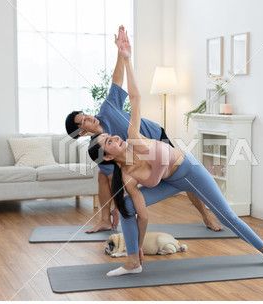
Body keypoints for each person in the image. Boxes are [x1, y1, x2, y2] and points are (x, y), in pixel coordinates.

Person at [88, 28, 263, 277]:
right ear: (107, 156)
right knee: (126, 205)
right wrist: (139, 247)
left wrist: (127, 59)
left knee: (226, 216)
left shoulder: (134, 139)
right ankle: (133, 262)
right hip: (171, 182)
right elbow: (143, 216)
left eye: (110, 135)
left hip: (190, 171)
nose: (115, 136)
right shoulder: (128, 178)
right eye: (109, 141)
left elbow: (136, 97)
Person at [65, 26, 222, 233]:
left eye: (86, 115)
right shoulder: (101, 149)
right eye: (84, 121)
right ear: (82, 133)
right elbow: (116, 179)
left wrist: (121, 54)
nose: (90, 118)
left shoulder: (107, 109)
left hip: (156, 138)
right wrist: (116, 208)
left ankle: (207, 216)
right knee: (103, 175)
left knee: (185, 178)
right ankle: (105, 219)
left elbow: (117, 81)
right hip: (139, 157)